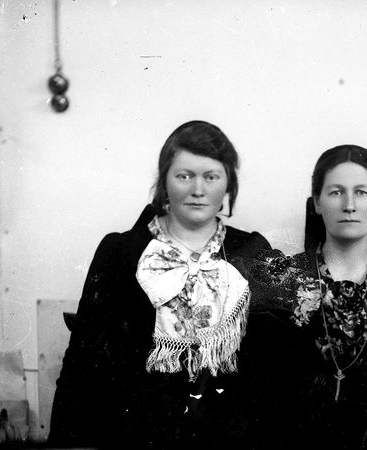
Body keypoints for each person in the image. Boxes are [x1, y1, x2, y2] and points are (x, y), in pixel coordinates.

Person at [48, 120, 271, 449]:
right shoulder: (122, 252)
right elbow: (82, 366)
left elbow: (267, 372)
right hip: (137, 438)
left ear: (228, 184)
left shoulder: (251, 251)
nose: (198, 189)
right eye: (184, 176)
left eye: (211, 177)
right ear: (164, 181)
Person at [246, 145, 367, 449]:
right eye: (336, 192)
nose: (349, 205)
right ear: (317, 203)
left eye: (361, 192)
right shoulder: (286, 279)